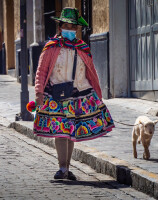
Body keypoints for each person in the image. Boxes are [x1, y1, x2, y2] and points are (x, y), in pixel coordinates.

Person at [34, 7, 115, 180]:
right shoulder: (51, 48)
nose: (70, 30)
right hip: (56, 95)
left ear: (77, 30)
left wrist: (97, 93)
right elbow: (41, 71)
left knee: (70, 133)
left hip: (79, 95)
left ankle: (66, 168)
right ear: (60, 27)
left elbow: (91, 71)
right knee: (60, 132)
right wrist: (39, 92)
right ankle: (62, 167)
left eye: (74, 27)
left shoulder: (82, 48)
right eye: (67, 27)